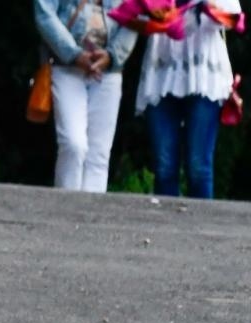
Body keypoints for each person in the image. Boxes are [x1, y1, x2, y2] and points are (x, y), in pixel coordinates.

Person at [131, 0, 244, 198]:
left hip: (203, 73)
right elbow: (135, 14)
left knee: (198, 165)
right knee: (164, 165)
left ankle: (200, 227)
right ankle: (167, 227)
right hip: (162, 71)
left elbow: (232, 15)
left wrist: (203, 9)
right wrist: (158, 14)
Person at [34, 0, 138, 191]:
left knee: (98, 155)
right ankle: (65, 210)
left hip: (109, 72)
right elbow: (44, 13)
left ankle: (91, 218)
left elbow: (136, 16)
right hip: (66, 67)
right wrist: (73, 54)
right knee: (73, 144)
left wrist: (112, 56)